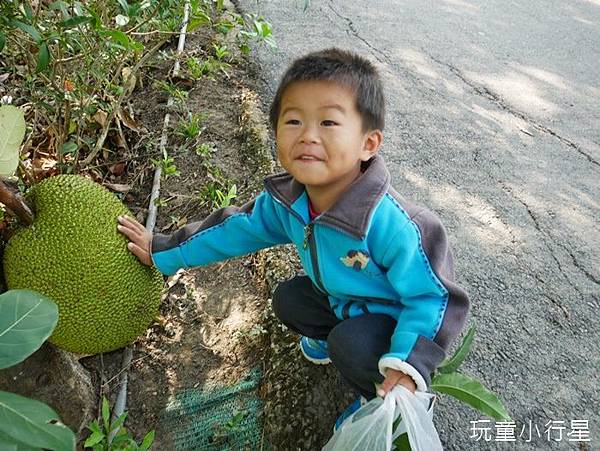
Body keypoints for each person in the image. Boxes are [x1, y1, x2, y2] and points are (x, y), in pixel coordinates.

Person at [117, 47, 470, 430]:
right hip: (339, 299)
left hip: (393, 321)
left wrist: (410, 361)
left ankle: (377, 397)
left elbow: (436, 297)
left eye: (329, 123)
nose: (308, 137)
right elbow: (232, 230)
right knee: (289, 300)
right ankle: (330, 336)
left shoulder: (397, 225)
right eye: (294, 121)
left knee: (350, 346)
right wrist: (164, 250)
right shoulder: (288, 202)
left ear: (368, 144)